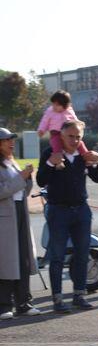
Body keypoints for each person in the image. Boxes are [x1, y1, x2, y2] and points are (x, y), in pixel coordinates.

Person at [35, 120, 98, 312]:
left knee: (82, 254)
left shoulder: (83, 156)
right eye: (70, 136)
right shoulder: (50, 154)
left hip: (81, 210)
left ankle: (79, 295)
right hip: (59, 211)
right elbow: (40, 180)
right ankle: (57, 299)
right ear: (61, 136)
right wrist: (50, 163)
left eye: (78, 137)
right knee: (57, 256)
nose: (74, 140)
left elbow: (97, 178)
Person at [0, 129, 40, 320]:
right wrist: (21, 178)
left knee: (23, 257)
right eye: (6, 140)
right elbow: (2, 191)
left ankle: (23, 302)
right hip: (5, 218)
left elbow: (21, 190)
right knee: (7, 261)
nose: (11, 143)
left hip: (20, 213)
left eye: (11, 140)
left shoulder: (12, 162)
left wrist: (28, 178)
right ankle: (4, 305)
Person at [37, 90, 98, 169]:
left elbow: (74, 120)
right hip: (56, 133)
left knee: (80, 144)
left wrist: (79, 125)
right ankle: (59, 161)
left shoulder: (69, 110)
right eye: (53, 104)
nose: (54, 106)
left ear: (64, 105)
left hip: (68, 132)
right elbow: (44, 121)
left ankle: (86, 157)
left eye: (57, 105)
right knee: (56, 144)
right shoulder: (50, 111)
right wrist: (41, 130)